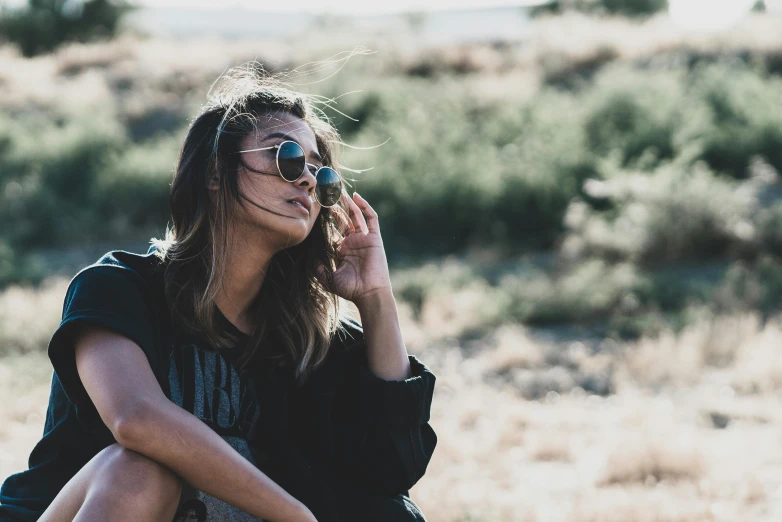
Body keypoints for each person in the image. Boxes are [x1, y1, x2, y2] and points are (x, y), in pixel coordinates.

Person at [0, 61, 438, 522]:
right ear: (214, 173)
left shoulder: (309, 339)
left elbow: (390, 474)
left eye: (321, 174)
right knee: (138, 472)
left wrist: (376, 300)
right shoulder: (120, 288)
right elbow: (136, 419)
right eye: (287, 158)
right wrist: (296, 515)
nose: (308, 180)